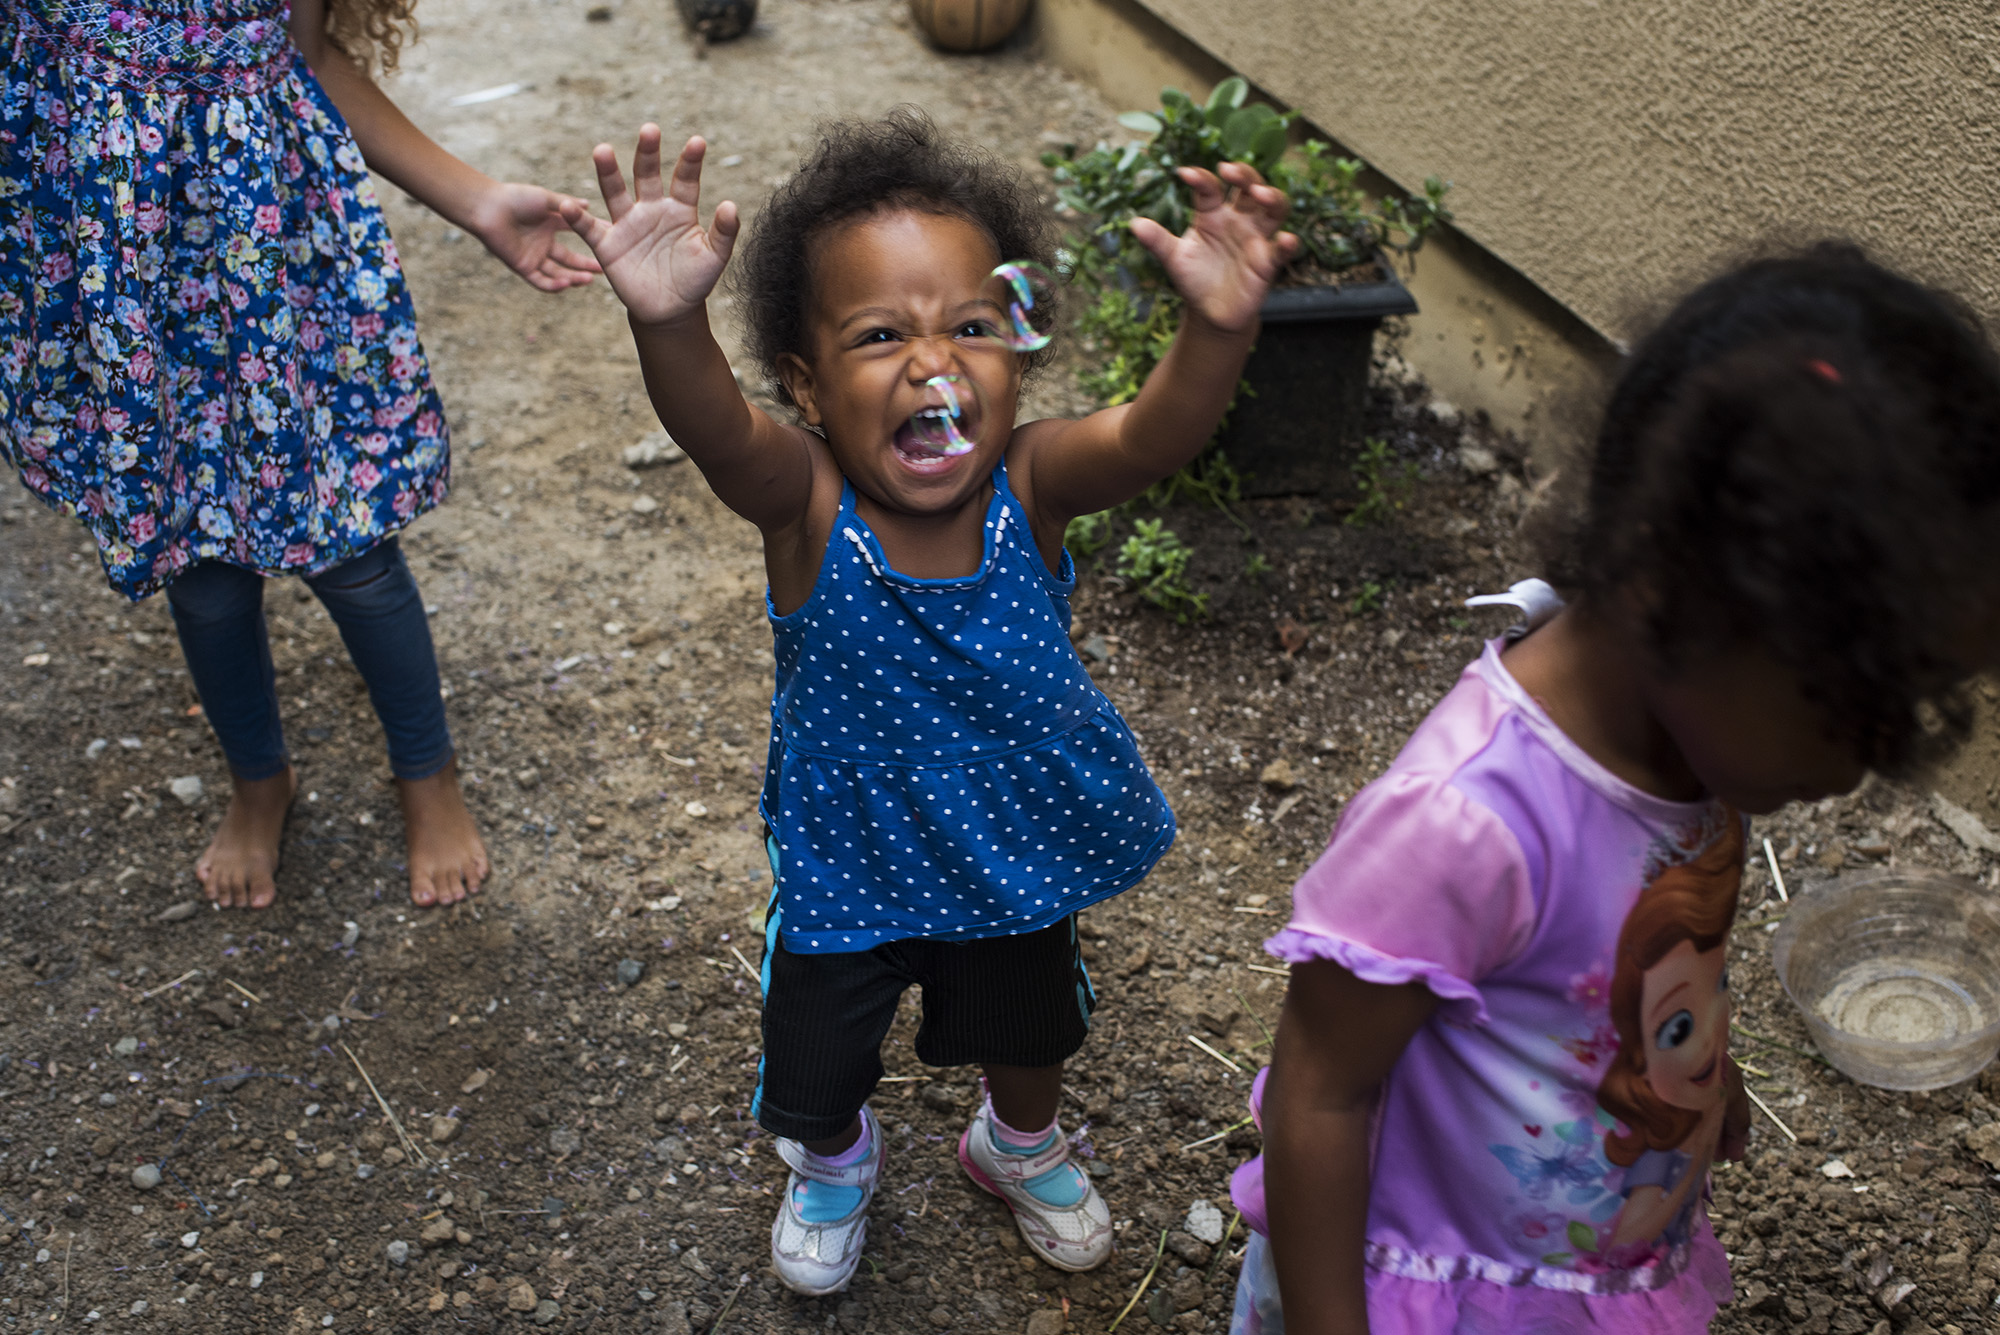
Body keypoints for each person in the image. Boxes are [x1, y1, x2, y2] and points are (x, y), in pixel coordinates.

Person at [561, 108, 1297, 1294]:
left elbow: (1154, 437)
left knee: (1028, 1027)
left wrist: (1215, 329)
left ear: (1014, 352)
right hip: (849, 858)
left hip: (1010, 846)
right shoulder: (803, 499)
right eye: (877, 335)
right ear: (805, 381)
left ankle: (1015, 1146)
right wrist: (668, 321)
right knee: (818, 1052)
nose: (932, 363)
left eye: (969, 326)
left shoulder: (1031, 482)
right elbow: (713, 432)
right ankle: (836, 1161)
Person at [1230, 243, 2000, 1333]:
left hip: (1587, 1258)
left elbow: (1631, 962)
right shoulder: (1462, 824)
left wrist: (1694, 1080)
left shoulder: (1691, 744)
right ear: (1670, 588)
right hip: (1431, 1288)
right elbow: (1318, 1089)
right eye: (1845, 703)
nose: (1856, 765)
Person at [1, 0, 599, 909]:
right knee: (199, 565)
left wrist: (478, 200)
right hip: (129, 289)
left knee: (353, 549)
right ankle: (257, 779)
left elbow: (308, 56)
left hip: (272, 277)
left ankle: (426, 773)